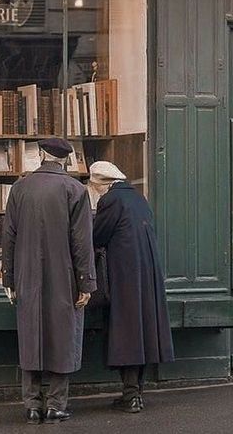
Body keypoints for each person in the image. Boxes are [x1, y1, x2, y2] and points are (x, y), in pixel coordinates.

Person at [2, 137, 96, 424]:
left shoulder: (20, 188)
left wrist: (9, 277)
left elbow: (9, 236)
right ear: (66, 159)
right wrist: (86, 283)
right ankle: (56, 404)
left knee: (31, 336)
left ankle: (31, 405)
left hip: (26, 274)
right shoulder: (75, 189)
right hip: (64, 275)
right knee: (63, 336)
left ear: (42, 155)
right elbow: (82, 242)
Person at [89, 160, 174, 414]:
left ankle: (131, 395)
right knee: (142, 333)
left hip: (124, 277)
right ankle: (136, 392)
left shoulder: (111, 200)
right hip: (145, 277)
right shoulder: (138, 198)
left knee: (126, 334)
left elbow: (98, 236)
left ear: (100, 182)